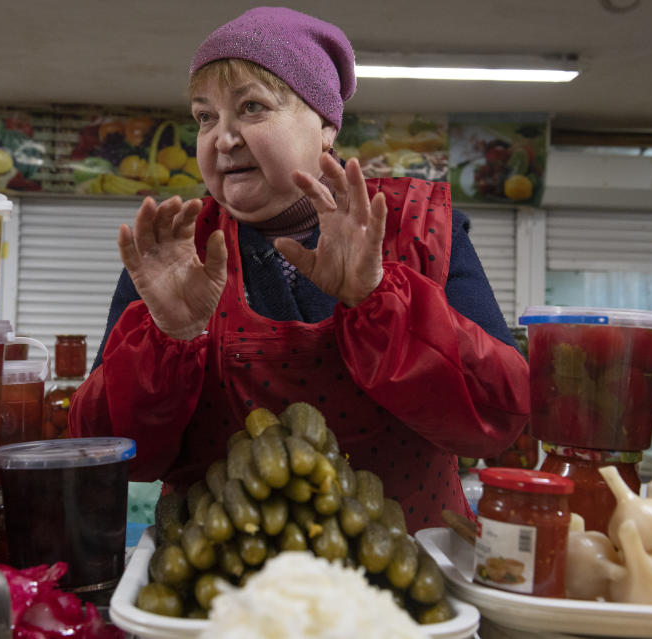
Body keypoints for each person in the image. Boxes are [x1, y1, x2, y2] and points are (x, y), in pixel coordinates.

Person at [69, 6, 529, 529]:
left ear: (325, 125)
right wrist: (168, 337)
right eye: (205, 116)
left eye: (251, 108)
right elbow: (109, 451)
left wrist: (380, 301)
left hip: (407, 572)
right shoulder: (175, 251)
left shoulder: (421, 228)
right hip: (218, 579)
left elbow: (498, 419)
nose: (222, 138)